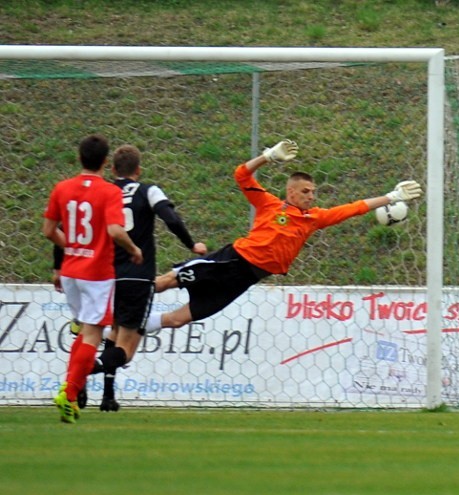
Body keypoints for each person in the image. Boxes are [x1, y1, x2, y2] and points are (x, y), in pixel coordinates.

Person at [144, 139, 422, 332]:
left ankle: (128, 323)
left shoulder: (313, 219)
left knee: (179, 320)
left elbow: (353, 209)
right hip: (233, 261)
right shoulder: (269, 204)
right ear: (290, 191)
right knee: (168, 280)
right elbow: (241, 175)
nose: (311, 196)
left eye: (313, 192)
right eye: (306, 191)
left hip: (247, 278)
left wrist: (391, 196)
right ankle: (115, 301)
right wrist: (267, 157)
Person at [88, 144, 207, 412]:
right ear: (138, 170)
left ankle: (107, 395)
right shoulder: (148, 190)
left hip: (104, 278)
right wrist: (191, 245)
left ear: (113, 169)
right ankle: (81, 371)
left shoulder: (103, 192)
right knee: (126, 351)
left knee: (114, 333)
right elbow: (171, 218)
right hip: (137, 279)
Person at [42, 134, 143, 424]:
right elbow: (114, 231)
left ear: (79, 158)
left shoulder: (62, 188)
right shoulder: (110, 192)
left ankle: (70, 394)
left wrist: (72, 247)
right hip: (97, 274)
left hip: (71, 271)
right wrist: (133, 249)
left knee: (83, 331)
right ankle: (69, 393)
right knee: (92, 334)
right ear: (105, 162)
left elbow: (49, 230)